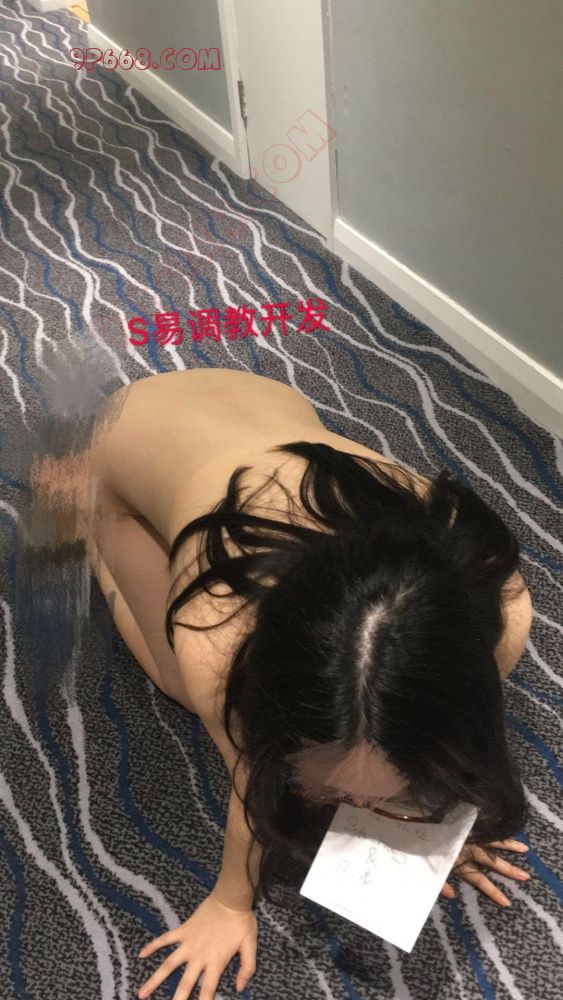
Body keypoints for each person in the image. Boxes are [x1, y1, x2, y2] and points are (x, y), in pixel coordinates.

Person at [28, 367, 533, 1000]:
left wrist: (437, 829)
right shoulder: (217, 635)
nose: (362, 810)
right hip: (126, 436)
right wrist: (230, 905)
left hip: (269, 404)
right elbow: (253, 779)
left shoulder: (501, 612)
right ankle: (78, 498)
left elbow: (453, 724)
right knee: (174, 680)